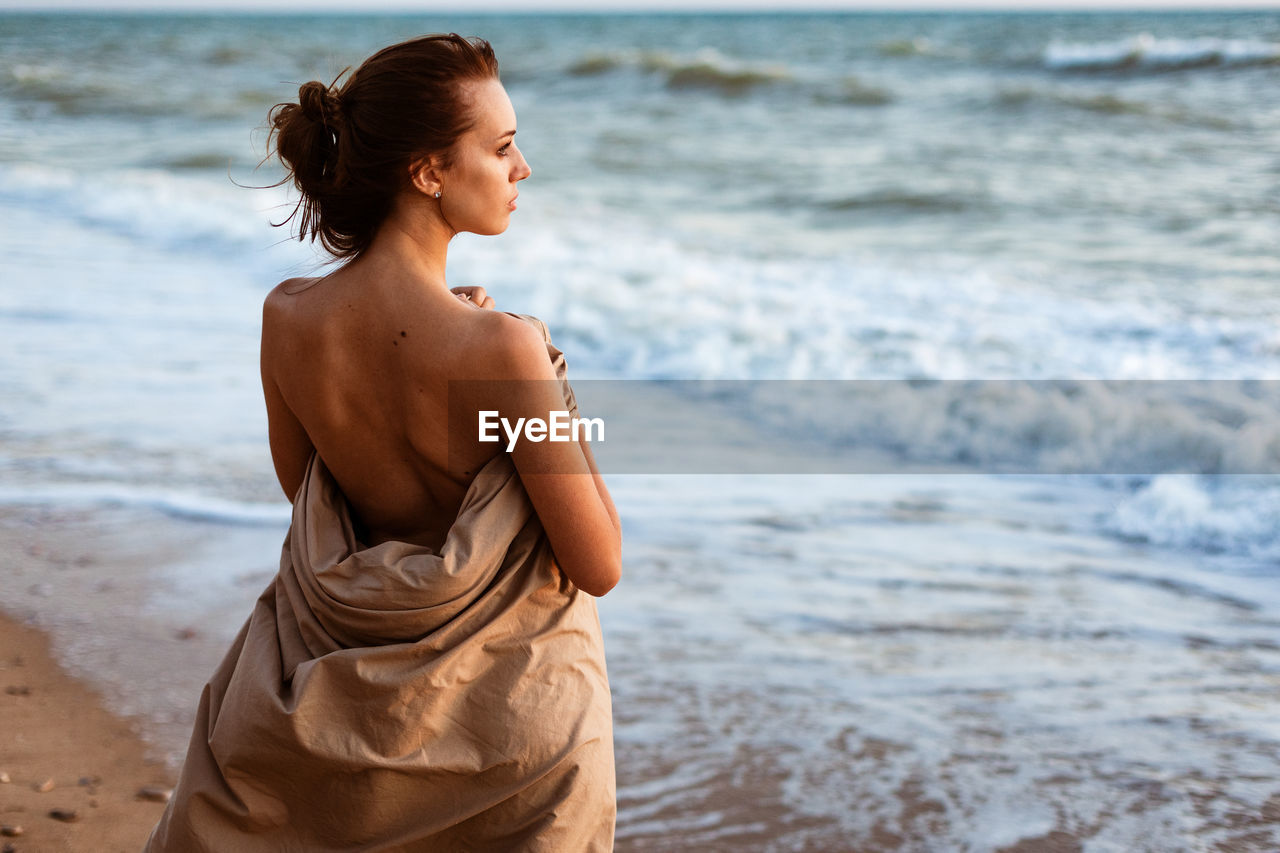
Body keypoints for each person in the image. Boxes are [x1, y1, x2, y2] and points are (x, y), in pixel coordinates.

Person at [145, 33, 619, 851]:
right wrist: (539, 371)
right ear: (429, 171)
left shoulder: (288, 319)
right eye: (502, 148)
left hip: (343, 716)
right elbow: (598, 562)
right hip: (508, 732)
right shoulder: (502, 349)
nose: (522, 168)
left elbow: (313, 501)